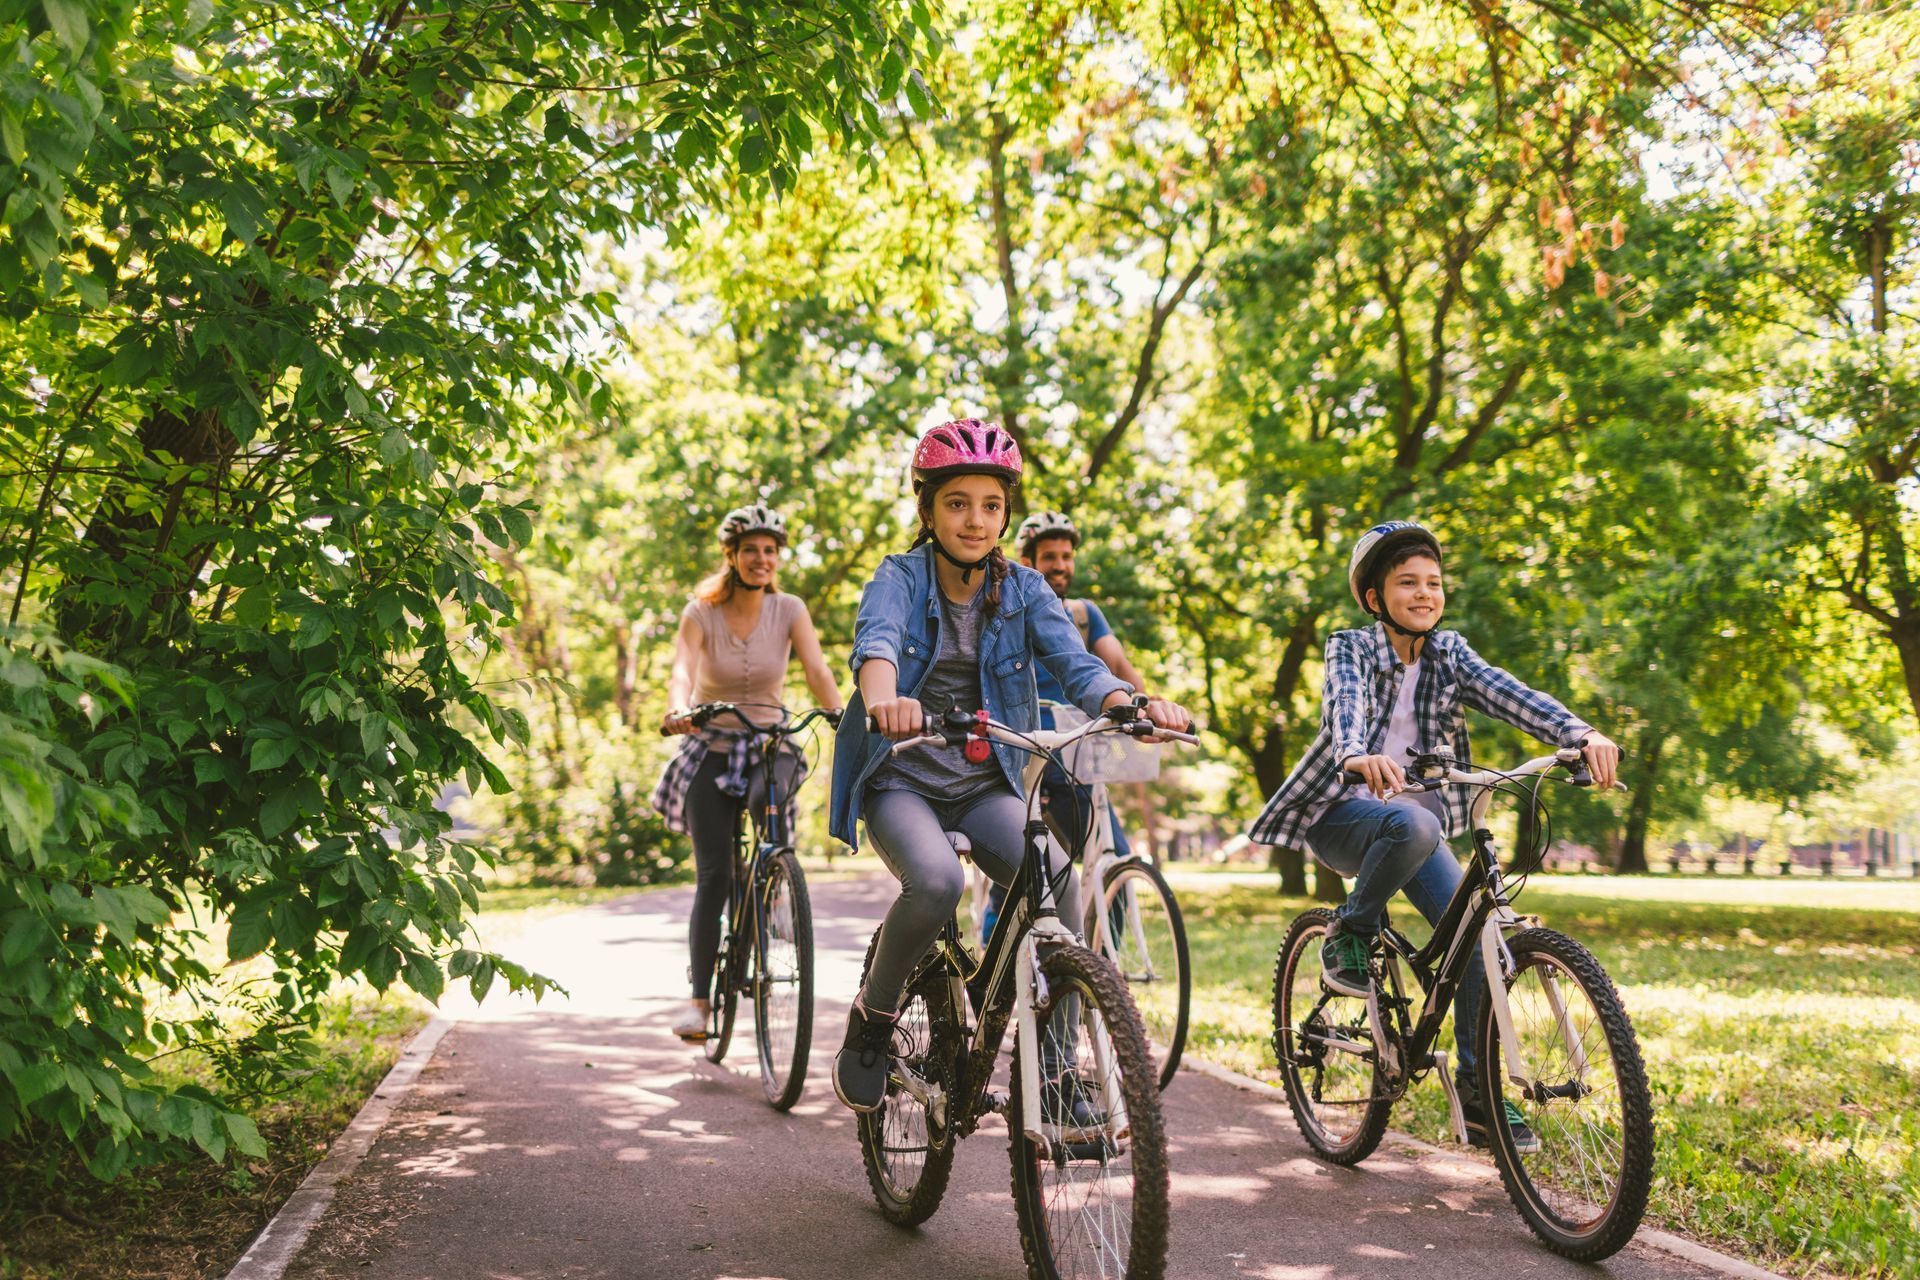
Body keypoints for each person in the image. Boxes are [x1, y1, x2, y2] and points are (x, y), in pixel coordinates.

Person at [826, 419, 1191, 1114]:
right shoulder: (900, 577)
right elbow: (876, 644)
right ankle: (872, 1021)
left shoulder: (1023, 589)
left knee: (1055, 877)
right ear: (927, 509)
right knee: (933, 881)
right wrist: (885, 701)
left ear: (1006, 513)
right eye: (957, 502)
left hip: (982, 780)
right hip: (902, 777)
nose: (975, 519)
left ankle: (1055, 1076)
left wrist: (1131, 703)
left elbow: (1075, 663)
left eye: (991, 505)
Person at [1247, 520, 1620, 1153]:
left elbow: (1510, 694)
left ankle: (1478, 1096)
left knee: (1477, 940)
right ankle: (1351, 931)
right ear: (1374, 598)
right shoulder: (1351, 647)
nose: (1425, 594)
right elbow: (1347, 702)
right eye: (1407, 583)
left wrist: (1577, 734)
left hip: (1416, 831)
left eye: (1434, 583)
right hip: (1345, 814)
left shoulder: (1450, 653)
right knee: (1414, 820)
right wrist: (1356, 754)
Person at [653, 503, 843, 1042]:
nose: (762, 559)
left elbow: (816, 667)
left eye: (770, 550)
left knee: (771, 802)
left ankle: (774, 883)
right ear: (732, 556)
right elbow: (682, 667)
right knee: (714, 874)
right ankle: (698, 1004)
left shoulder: (789, 608)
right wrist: (679, 709)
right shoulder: (701, 612)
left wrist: (838, 716)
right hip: (711, 745)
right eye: (751, 550)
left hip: (770, 742)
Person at [980, 510, 1146, 941]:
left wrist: (1147, 704)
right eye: (1049, 556)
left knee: (1115, 862)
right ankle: (994, 957)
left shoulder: (1085, 615)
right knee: (1016, 873)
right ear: (1027, 559)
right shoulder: (1003, 609)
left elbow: (1118, 665)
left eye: (1067, 556)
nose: (1060, 565)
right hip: (1022, 751)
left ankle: (1101, 973)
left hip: (1077, 757)